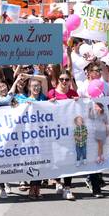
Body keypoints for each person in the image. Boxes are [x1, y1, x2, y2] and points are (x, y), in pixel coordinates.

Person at [47, 71, 78, 200]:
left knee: (69, 159)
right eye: (61, 79)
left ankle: (67, 188)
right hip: (55, 132)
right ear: (58, 80)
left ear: (70, 80)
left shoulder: (72, 94)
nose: (64, 82)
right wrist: (50, 103)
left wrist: (77, 101)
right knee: (57, 159)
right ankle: (58, 182)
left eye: (67, 79)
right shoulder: (52, 93)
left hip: (69, 131)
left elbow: (78, 110)